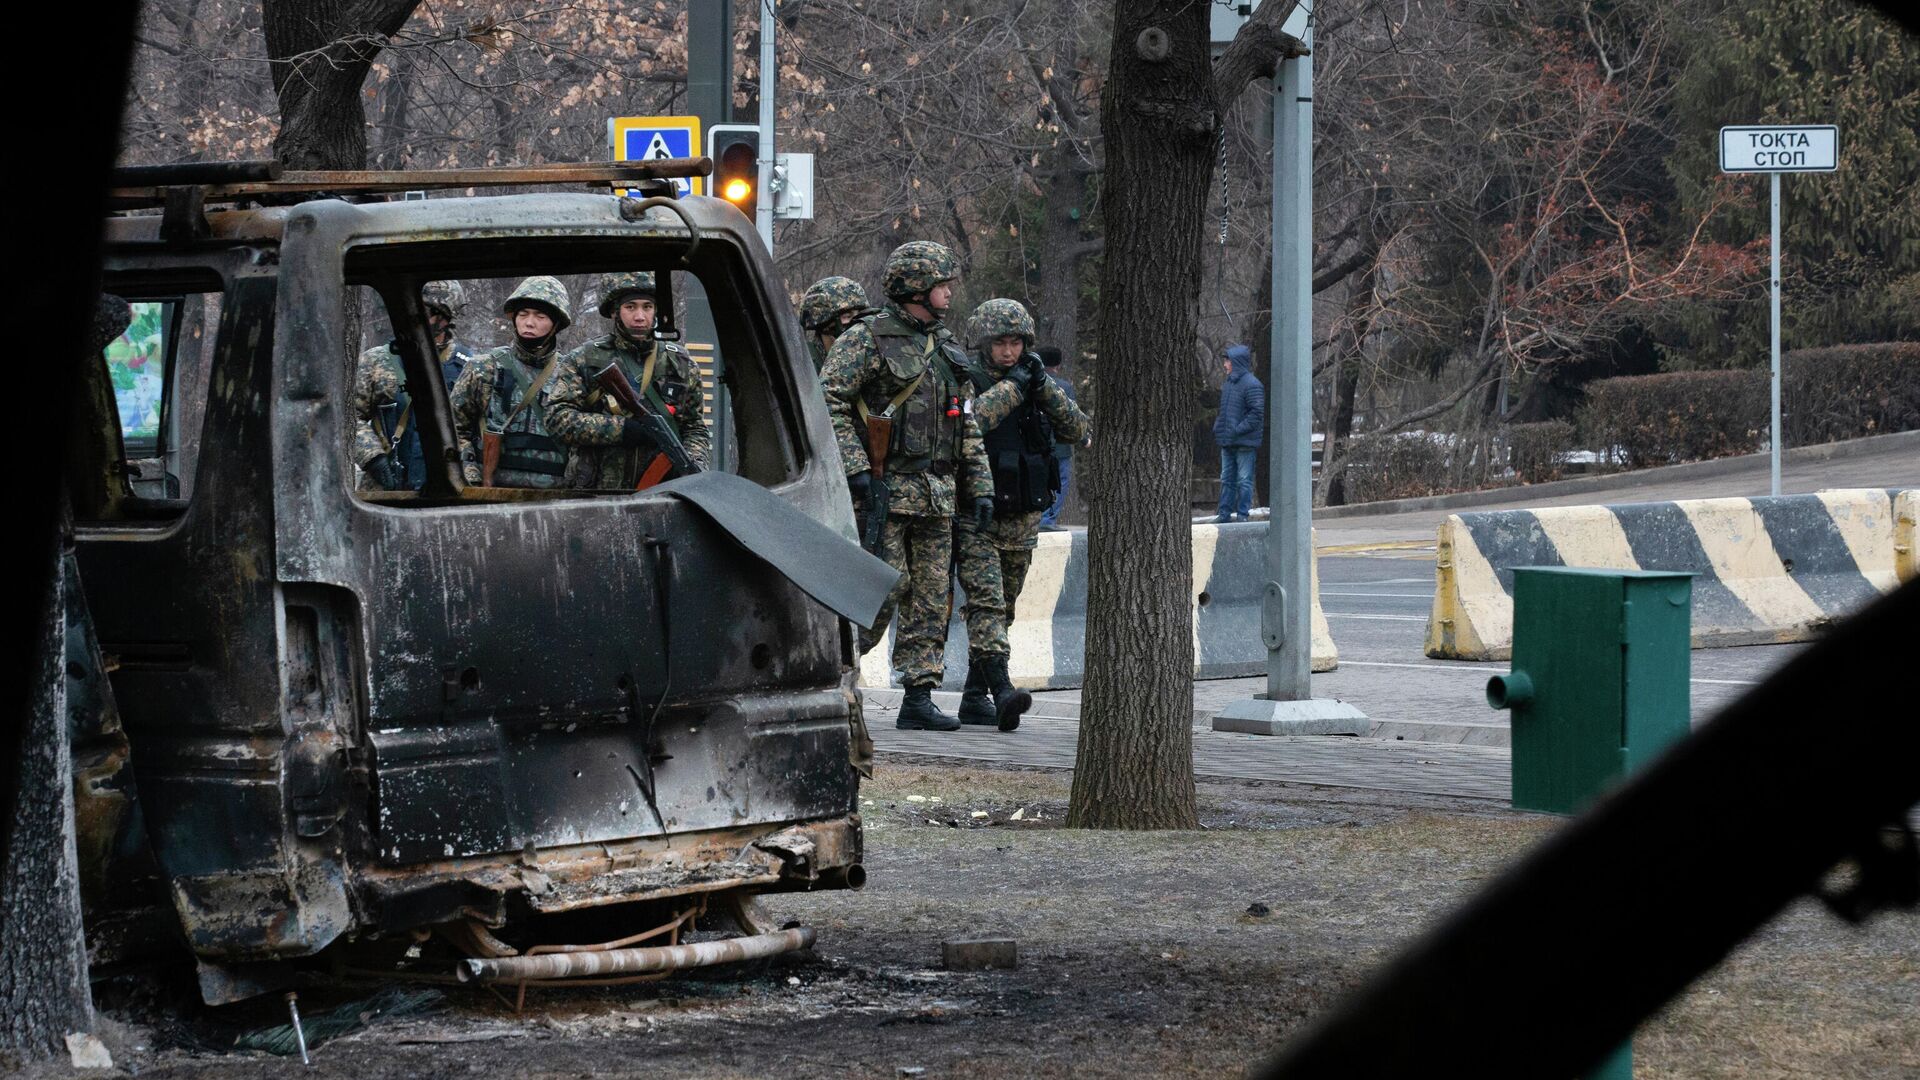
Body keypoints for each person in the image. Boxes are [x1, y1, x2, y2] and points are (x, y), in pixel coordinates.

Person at [820, 242, 1029, 731]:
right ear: (917, 286)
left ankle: (918, 697)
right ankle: (828, 674)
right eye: (942, 284)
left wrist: (978, 486)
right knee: (882, 592)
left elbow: (967, 424)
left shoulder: (946, 347)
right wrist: (855, 469)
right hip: (885, 491)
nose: (949, 291)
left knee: (933, 598)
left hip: (937, 494)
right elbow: (828, 400)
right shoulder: (866, 339)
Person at [953, 300, 1089, 729]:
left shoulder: (1035, 381)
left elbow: (1078, 431)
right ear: (983, 343)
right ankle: (1002, 692)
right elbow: (972, 422)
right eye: (1000, 343)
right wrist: (1014, 385)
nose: (1009, 352)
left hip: (1023, 519)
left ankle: (975, 697)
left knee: (1004, 610)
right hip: (977, 515)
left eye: (1015, 343)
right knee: (987, 607)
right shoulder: (965, 378)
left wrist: (1041, 386)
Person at [546, 271, 712, 487]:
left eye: (647, 307)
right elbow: (557, 419)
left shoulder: (680, 364)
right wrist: (621, 429)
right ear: (615, 312)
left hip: (662, 493)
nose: (640, 316)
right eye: (630, 307)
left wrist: (694, 464)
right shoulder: (585, 359)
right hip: (594, 493)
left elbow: (695, 427)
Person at [449, 276, 588, 489]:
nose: (529, 323)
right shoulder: (484, 368)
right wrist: (472, 477)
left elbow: (582, 438)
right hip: (491, 493)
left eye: (540, 316)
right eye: (523, 315)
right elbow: (454, 428)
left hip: (556, 498)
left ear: (556, 324)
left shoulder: (571, 372)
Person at [353, 280, 471, 492]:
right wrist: (373, 457)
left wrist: (469, 475)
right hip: (385, 489)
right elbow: (349, 417)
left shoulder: (469, 366)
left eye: (424, 310)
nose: (413, 315)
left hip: (446, 489)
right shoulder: (377, 360)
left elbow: (475, 429)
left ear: (444, 317)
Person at [1212, 343, 1265, 523]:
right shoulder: (1229, 384)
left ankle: (1243, 515)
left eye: (1227, 361)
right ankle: (1224, 515)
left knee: (1244, 480)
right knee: (1227, 479)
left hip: (1244, 442)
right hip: (1228, 441)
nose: (1225, 365)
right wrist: (1220, 427)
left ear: (1236, 362)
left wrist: (1236, 430)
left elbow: (1256, 414)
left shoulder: (1252, 384)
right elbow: (1224, 411)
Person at [1037, 347, 1078, 530]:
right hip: (1059, 445)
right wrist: (1084, 439)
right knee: (1059, 481)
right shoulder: (1064, 386)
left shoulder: (1030, 382)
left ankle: (1036, 518)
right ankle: (1048, 519)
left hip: (1036, 443)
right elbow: (1071, 417)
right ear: (1058, 365)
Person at [797, 276, 872, 373]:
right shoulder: (805, 366)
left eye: (859, 315)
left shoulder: (868, 357)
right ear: (825, 324)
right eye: (847, 316)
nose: (857, 324)